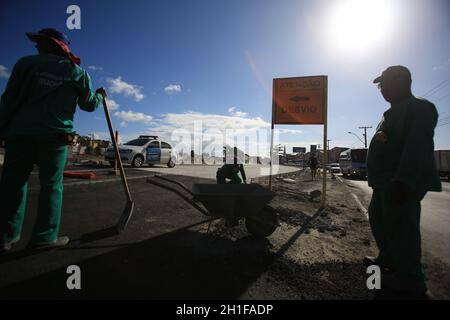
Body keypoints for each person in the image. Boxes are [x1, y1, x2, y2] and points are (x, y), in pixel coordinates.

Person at [0, 28, 106, 252]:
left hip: (20, 134)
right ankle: (44, 237)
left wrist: (2, 128)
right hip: (55, 137)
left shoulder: (25, 64)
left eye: (40, 42)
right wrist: (100, 96)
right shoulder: (77, 72)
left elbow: (8, 100)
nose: (36, 46)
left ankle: (5, 235)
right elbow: (89, 105)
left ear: (52, 45)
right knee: (51, 186)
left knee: (13, 184)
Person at [366, 65, 441, 298]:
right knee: (380, 221)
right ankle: (389, 260)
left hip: (399, 182)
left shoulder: (419, 108)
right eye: (380, 86)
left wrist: (404, 181)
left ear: (401, 82)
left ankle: (410, 279)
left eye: (385, 84)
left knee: (402, 230)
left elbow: (417, 147)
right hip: (383, 183)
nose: (382, 90)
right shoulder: (390, 113)